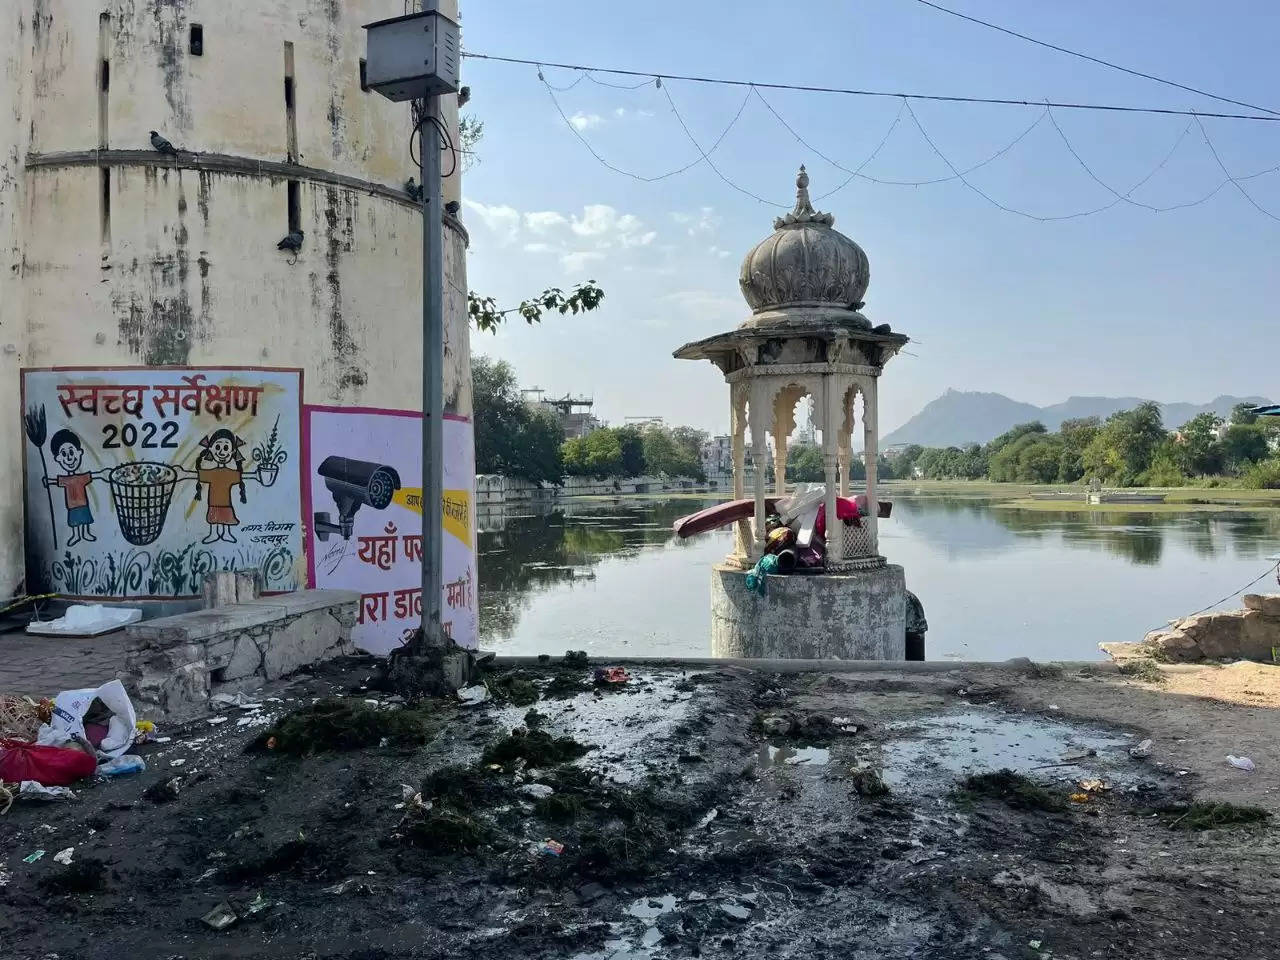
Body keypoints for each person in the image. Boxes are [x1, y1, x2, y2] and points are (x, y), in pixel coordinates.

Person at [181, 429, 253, 544]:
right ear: (211, 450)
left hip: (226, 504)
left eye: (226, 448)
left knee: (226, 519)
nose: (222, 452)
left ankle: (227, 534)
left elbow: (244, 477)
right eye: (218, 448)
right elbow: (199, 475)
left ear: (232, 451)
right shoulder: (211, 473)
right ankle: (213, 534)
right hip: (213, 503)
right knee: (213, 519)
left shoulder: (231, 474)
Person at [43, 429, 107, 547]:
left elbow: (93, 475)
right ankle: (76, 535)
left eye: (71, 453)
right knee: (75, 522)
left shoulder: (81, 477)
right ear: (58, 458)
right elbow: (56, 481)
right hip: (72, 506)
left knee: (85, 519)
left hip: (83, 504)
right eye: (64, 454)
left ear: (79, 452)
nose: (69, 458)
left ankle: (86, 533)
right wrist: (48, 481)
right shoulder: (65, 480)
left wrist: (103, 474)